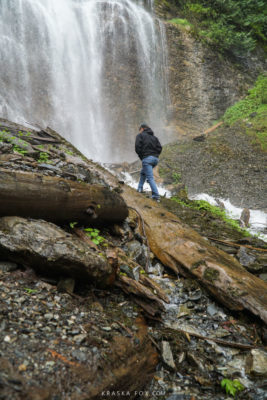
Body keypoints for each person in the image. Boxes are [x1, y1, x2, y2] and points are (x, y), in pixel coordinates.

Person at [135, 123, 162, 202]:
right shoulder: (154, 138)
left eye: (139, 130)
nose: (139, 132)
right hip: (155, 160)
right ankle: (139, 188)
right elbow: (160, 148)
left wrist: (142, 157)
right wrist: (155, 156)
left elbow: (137, 148)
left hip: (147, 159)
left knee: (150, 178)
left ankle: (156, 196)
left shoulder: (140, 136)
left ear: (142, 129)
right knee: (143, 172)